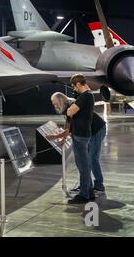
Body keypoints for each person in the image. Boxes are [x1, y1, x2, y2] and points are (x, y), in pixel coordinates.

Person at [48, 92, 107, 195]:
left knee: (91, 159)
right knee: (85, 161)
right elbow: (68, 124)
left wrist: (57, 136)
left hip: (96, 130)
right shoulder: (66, 107)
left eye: (55, 103)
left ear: (60, 100)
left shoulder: (72, 106)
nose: (54, 105)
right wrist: (63, 138)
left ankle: (98, 186)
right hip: (89, 131)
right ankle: (86, 186)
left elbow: (70, 126)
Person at [63, 74, 96, 204]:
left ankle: (84, 195)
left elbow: (70, 112)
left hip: (81, 135)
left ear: (77, 84)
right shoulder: (87, 96)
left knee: (83, 165)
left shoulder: (85, 96)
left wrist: (70, 108)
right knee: (84, 164)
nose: (73, 89)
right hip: (82, 134)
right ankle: (90, 192)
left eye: (73, 86)